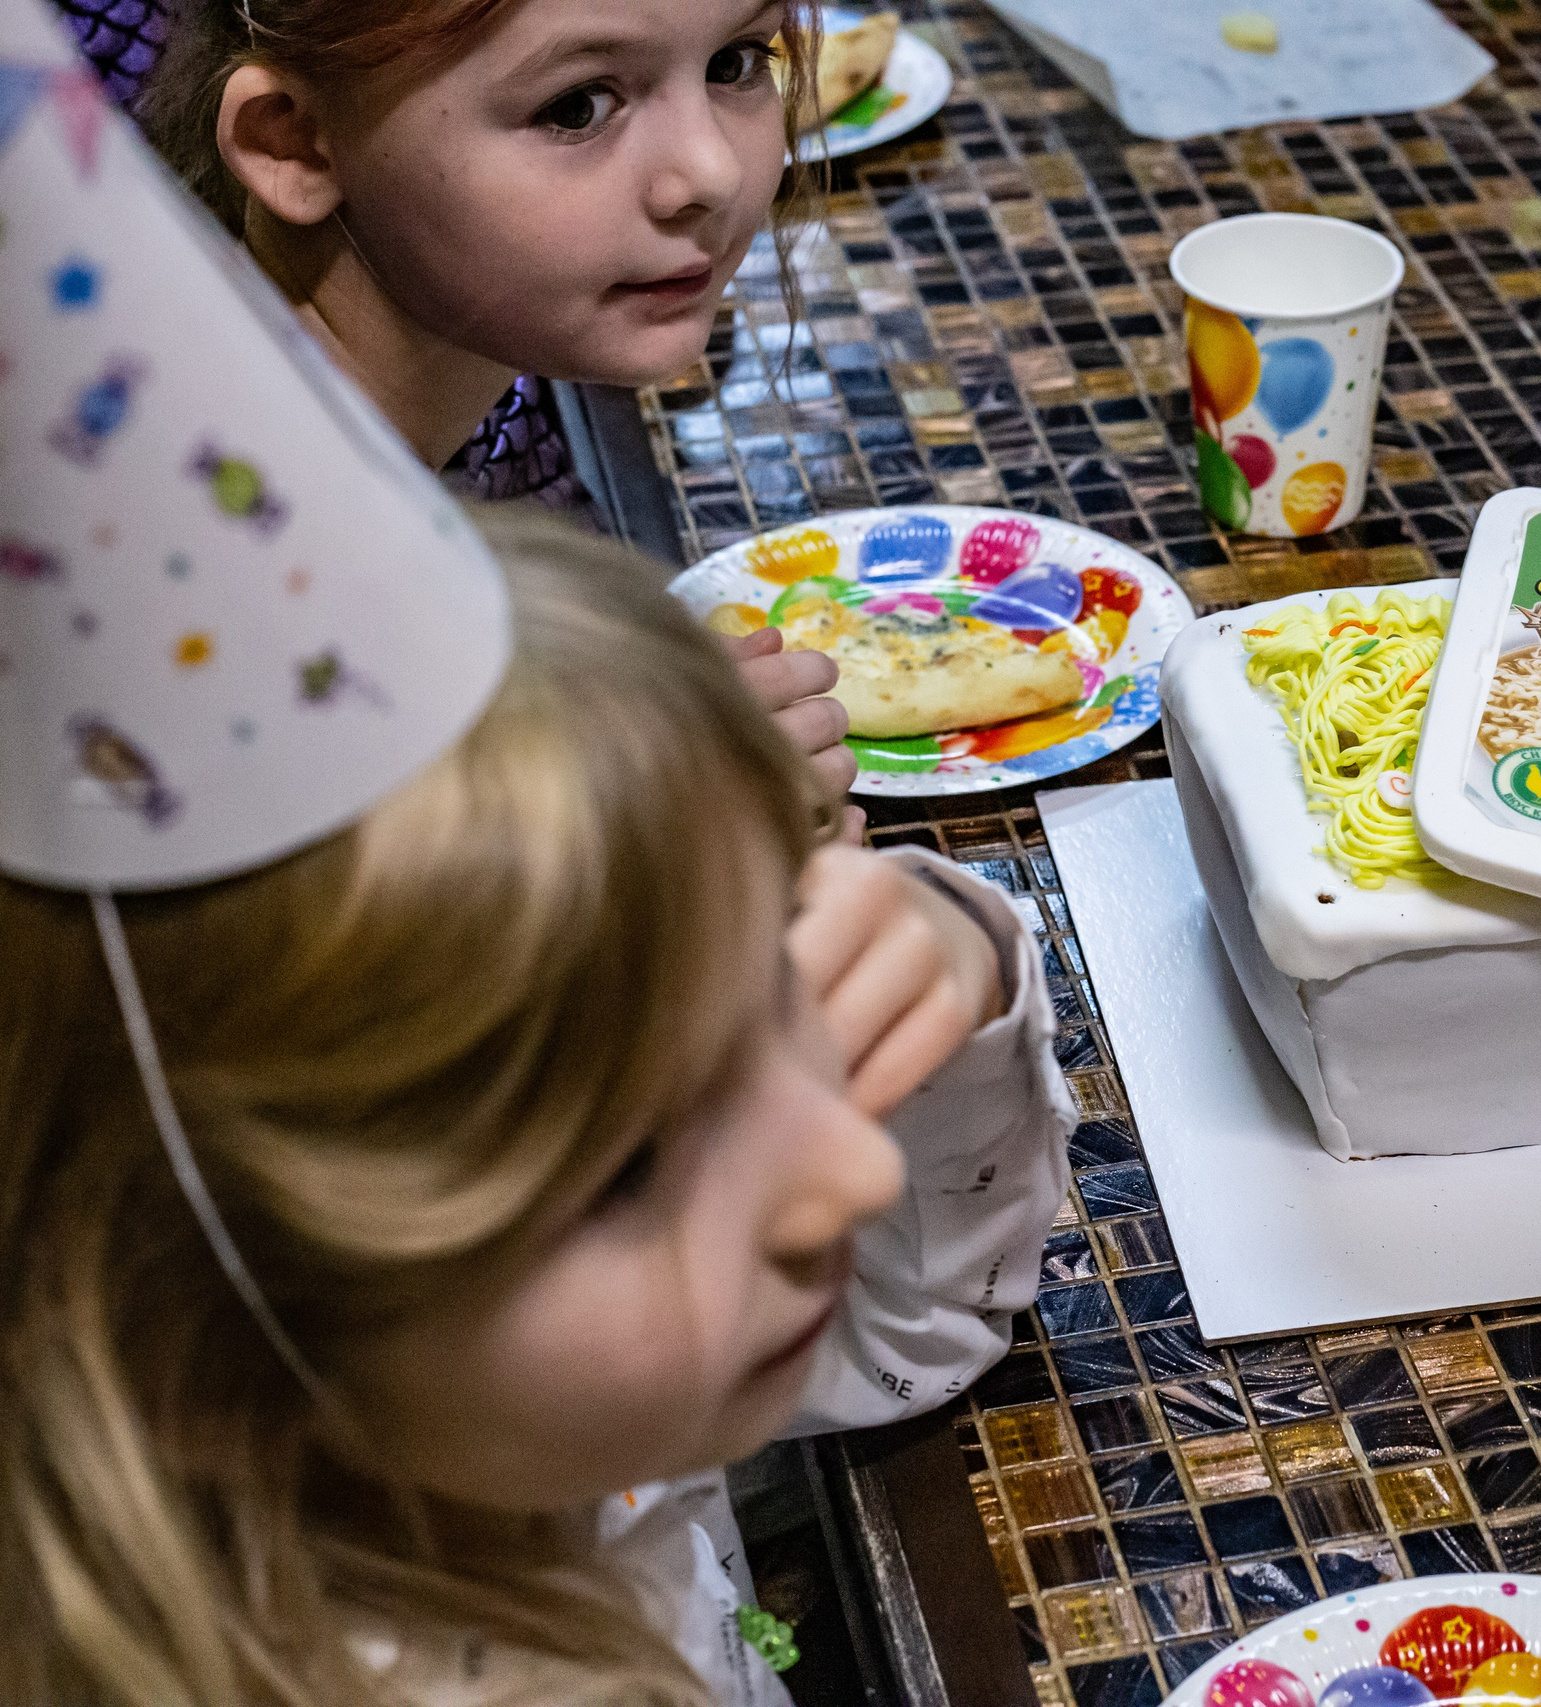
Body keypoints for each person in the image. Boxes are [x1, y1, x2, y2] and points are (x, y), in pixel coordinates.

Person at [0, 507, 1077, 1707]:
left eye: (778, 983)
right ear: (201, 1350)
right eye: (627, 1168)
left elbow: (900, 1344)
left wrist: (948, 959)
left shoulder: (527, 1428)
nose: (853, 1173)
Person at [140, 0, 859, 795]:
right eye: (576, 107)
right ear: (294, 144)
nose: (712, 172)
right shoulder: (230, 603)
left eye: (736, 63)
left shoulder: (440, 429)